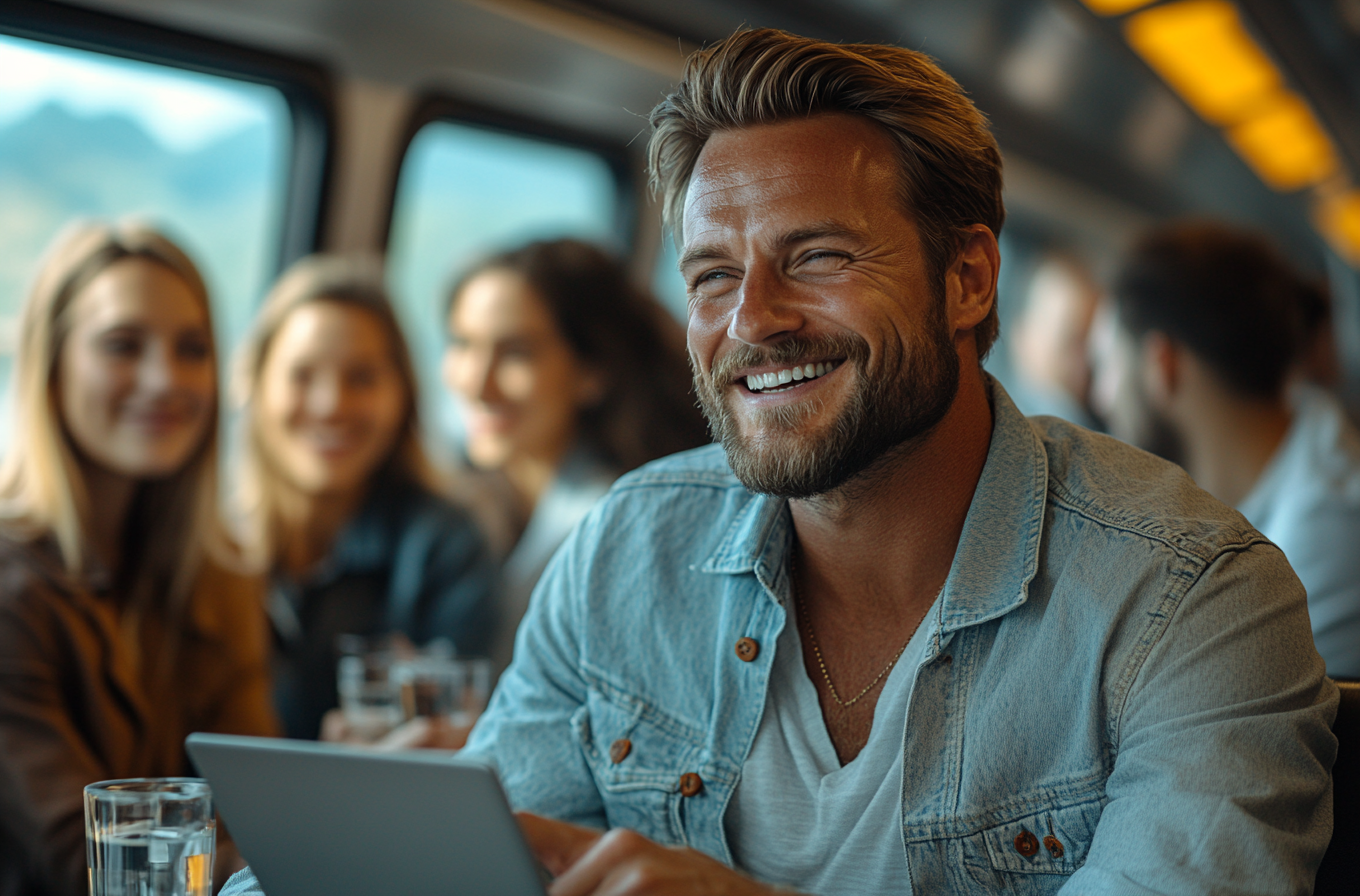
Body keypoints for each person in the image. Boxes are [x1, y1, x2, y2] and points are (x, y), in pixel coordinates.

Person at [225, 27, 1335, 896]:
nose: (752, 320)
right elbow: (480, 847)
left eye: (817, 256)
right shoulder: (628, 549)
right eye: (710, 275)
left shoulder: (1193, 597)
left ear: (968, 281)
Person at [0, 221, 277, 896]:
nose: (165, 380)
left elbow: (258, 806)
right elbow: (91, 863)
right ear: (52, 364)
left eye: (192, 349)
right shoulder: (10, 591)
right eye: (123, 345)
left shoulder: (218, 576)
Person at [235, 254, 498, 740]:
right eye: (302, 375)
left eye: (361, 378)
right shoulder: (210, 547)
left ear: (403, 395)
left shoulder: (446, 547)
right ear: (254, 384)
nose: (331, 404)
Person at [1089, 220, 1360, 679]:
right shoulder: (1281, 484)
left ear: (1163, 365)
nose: (1100, 396)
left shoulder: (1324, 526)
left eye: (1105, 365)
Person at [442, 239, 708, 668]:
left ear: (592, 371)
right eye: (463, 343)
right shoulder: (473, 502)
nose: (475, 383)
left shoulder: (615, 524)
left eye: (515, 353)